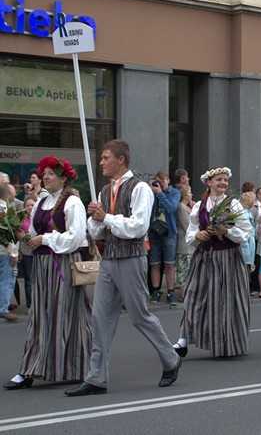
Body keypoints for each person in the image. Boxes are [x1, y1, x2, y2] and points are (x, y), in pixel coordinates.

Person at [66, 139, 181, 396]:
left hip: (131, 258)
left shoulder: (139, 187)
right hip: (108, 260)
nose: (101, 162)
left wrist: (105, 217)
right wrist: (95, 217)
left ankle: (171, 359)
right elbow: (97, 232)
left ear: (120, 159)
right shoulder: (104, 191)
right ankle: (96, 377)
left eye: (106, 157)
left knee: (140, 316)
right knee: (100, 319)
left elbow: (138, 227)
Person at [4, 156, 92, 390]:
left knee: (68, 314)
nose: (45, 176)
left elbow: (76, 238)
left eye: (51, 173)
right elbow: (33, 231)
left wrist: (45, 238)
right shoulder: (42, 201)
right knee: (40, 316)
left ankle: (82, 368)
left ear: (63, 177)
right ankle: (30, 368)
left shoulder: (73, 202)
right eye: (44, 173)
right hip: (42, 265)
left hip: (63, 264)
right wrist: (25, 237)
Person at [175, 167, 252, 358]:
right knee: (194, 296)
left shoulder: (233, 204)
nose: (223, 183)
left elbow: (246, 230)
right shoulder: (199, 205)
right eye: (219, 179)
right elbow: (191, 231)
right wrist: (197, 235)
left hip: (227, 257)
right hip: (204, 257)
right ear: (209, 182)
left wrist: (226, 232)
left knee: (226, 301)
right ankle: (182, 339)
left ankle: (226, 344)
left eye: (225, 180)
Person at [148, 171, 181, 304]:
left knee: (169, 264)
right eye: (158, 182)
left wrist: (160, 194)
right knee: (154, 264)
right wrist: (151, 192)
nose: (161, 184)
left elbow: (171, 208)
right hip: (154, 232)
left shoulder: (175, 193)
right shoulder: (152, 194)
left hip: (169, 232)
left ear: (168, 180)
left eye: (163, 181)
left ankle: (171, 292)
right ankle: (156, 291)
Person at [0, 184, 20, 321]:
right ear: (6, 194)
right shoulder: (5, 209)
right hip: (5, 251)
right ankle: (3, 308)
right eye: (13, 192)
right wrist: (13, 253)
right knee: (7, 280)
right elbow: (9, 233)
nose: (15, 195)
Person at [175, 185, 195, 301]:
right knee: (183, 268)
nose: (191, 195)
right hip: (184, 243)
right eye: (189, 192)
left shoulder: (187, 208)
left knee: (188, 268)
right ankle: (183, 293)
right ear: (184, 195)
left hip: (189, 244)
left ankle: (187, 291)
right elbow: (187, 225)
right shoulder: (181, 207)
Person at [17, 197, 36, 309]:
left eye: (32, 205)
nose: (30, 207)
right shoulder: (21, 220)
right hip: (26, 252)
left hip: (39, 252)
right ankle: (30, 304)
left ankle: (41, 302)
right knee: (28, 280)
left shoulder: (39, 218)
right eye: (27, 205)